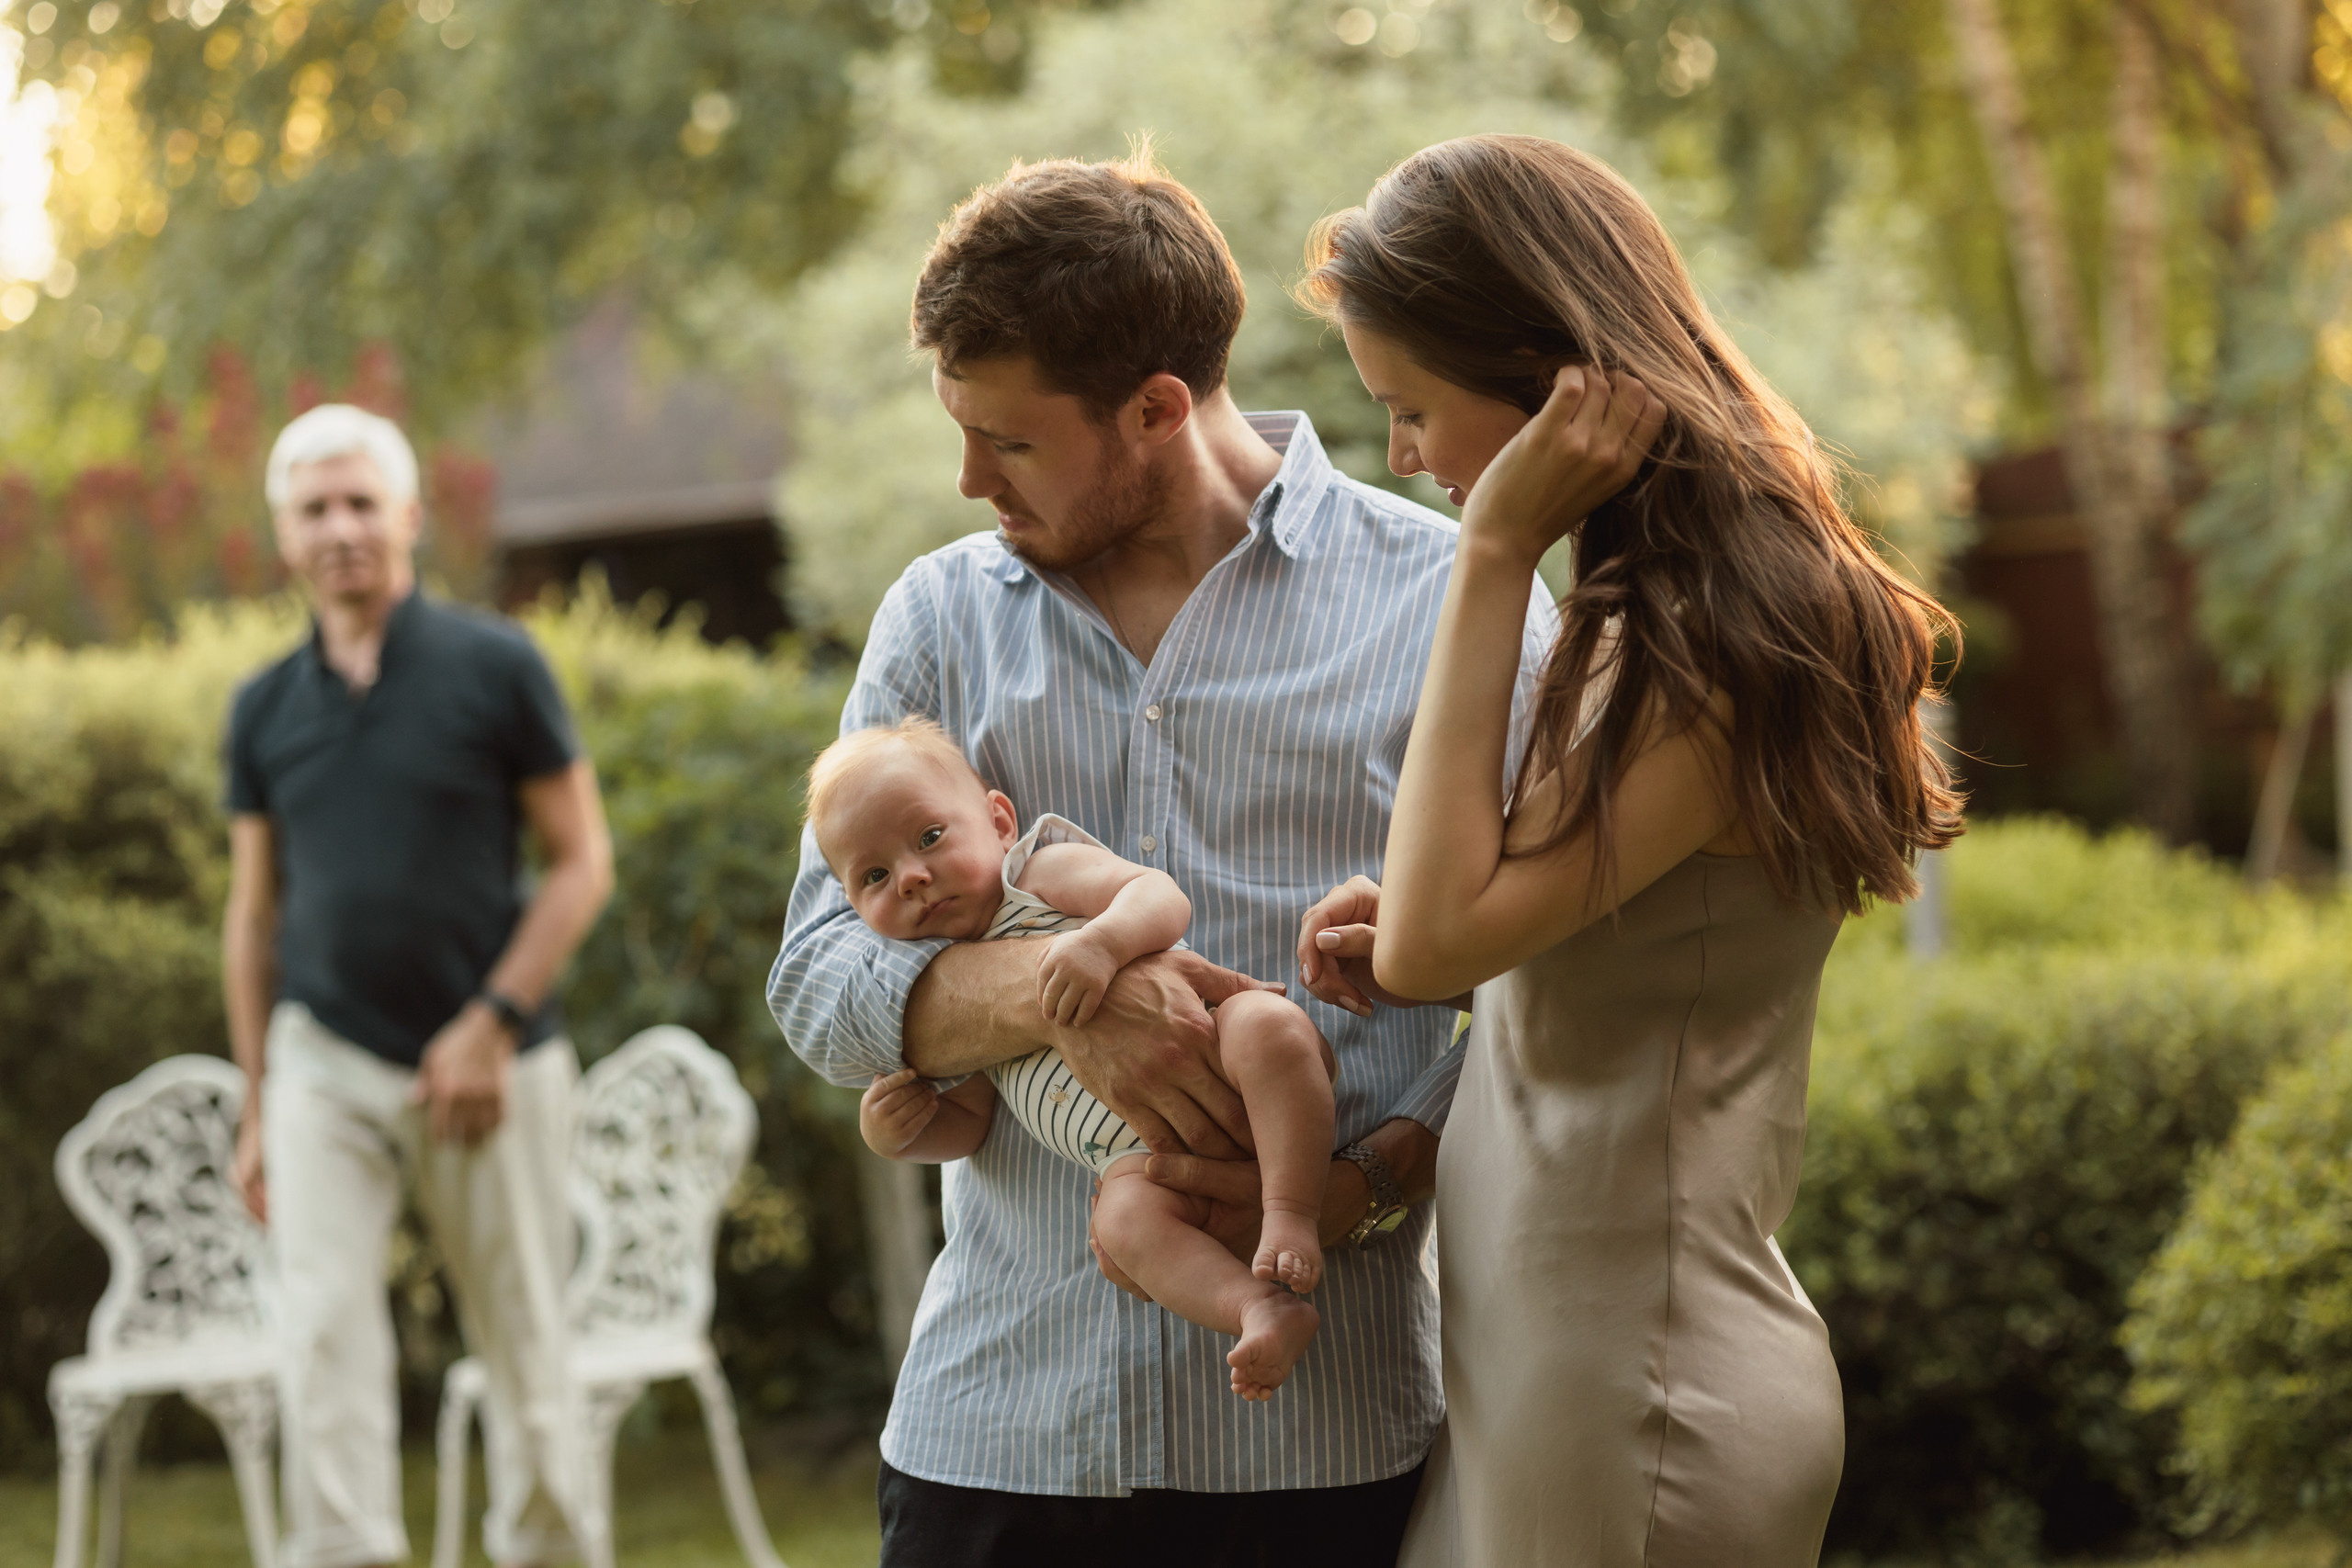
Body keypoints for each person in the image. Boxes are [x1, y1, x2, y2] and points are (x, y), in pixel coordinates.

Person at [767, 151, 1577, 1567]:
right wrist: (1058, 990)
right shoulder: (943, 616)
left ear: (1155, 409)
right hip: (996, 1441)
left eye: (1009, 442)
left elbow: (1555, 999)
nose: (967, 480)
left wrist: (1371, 1178)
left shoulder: (1455, 593)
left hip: (1316, 1448)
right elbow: (822, 983)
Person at [1291, 134, 1964, 1566]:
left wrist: (1489, 553)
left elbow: (1423, 948)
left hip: (1636, 1389)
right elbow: (1491, 932)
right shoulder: (1659, 616)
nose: (1405, 457)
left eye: (1411, 409)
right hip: (1558, 1370)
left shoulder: (1716, 642)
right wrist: (1475, 935)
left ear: (1547, 380)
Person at [221, 404, 616, 1568]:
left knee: (527, 1350)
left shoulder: (497, 665)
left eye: (360, 503)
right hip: (323, 1063)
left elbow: (582, 862)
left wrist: (489, 1026)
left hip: (493, 1063)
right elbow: (253, 915)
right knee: (323, 1342)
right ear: (284, 537)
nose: (339, 528)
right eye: (313, 510)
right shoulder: (262, 708)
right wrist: (255, 1102)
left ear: (407, 518)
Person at [820, 717, 1334, 1399]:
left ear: (999, 820)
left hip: (1215, 1045)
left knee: (1267, 1022)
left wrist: (1104, 944)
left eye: (930, 838)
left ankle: (1292, 1212)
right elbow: (970, 1126)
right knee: (1122, 1225)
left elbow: (1159, 894)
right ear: (854, 905)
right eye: (875, 875)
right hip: (1139, 1162)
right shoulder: (960, 995)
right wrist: (895, 1133)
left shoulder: (1036, 874)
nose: (913, 877)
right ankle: (1258, 1307)